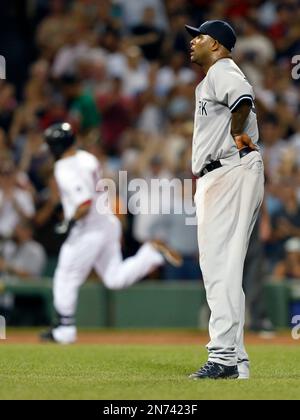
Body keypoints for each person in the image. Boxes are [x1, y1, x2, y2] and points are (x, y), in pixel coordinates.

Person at [41, 122, 182, 344]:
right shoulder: (87, 158)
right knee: (114, 278)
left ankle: (64, 329)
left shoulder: (64, 167)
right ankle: (151, 254)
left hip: (89, 228)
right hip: (107, 221)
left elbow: (84, 203)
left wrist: (68, 222)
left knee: (65, 276)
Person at [185, 20, 264, 379]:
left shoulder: (222, 69)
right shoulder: (213, 76)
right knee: (223, 268)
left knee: (220, 268)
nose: (193, 42)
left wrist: (236, 132)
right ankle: (235, 359)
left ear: (216, 45)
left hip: (230, 170)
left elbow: (243, 98)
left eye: (199, 37)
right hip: (224, 173)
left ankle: (223, 358)